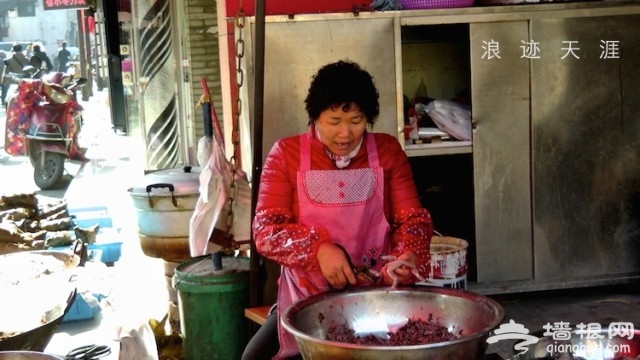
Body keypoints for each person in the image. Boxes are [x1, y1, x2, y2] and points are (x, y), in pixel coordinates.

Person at [243, 60, 433, 360]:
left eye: (356, 120)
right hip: (304, 300)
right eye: (334, 121)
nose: (345, 133)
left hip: (377, 298)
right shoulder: (286, 154)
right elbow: (266, 231)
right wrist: (318, 249)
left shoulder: (387, 151)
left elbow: (413, 221)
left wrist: (407, 254)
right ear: (315, 117)